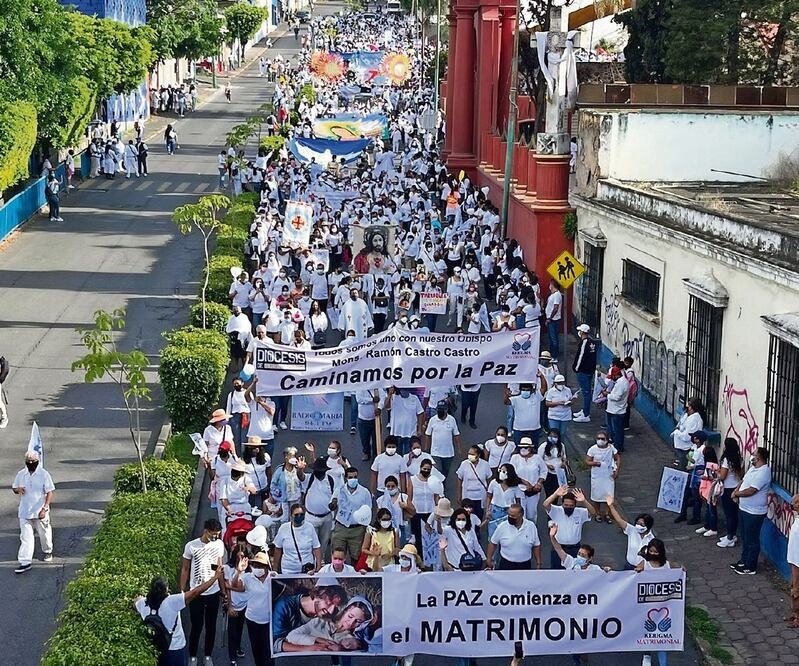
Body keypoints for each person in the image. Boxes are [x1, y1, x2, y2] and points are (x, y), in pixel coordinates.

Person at [136, 569, 223, 666]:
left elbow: (136, 601)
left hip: (156, 649)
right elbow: (196, 592)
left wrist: (139, 598)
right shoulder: (172, 601)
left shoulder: (143, 603)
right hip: (175, 648)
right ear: (166, 589)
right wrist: (215, 577)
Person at [179, 519, 226, 665]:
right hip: (196, 593)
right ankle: (192, 655)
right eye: (213, 534)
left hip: (213, 593)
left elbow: (219, 568)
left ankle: (207, 655)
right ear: (205, 531)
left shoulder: (219, 544)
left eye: (218, 535)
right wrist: (182, 590)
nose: (215, 537)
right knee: (196, 626)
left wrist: (223, 591)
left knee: (211, 626)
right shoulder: (191, 546)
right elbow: (185, 569)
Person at [228, 551, 275, 666]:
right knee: (256, 650)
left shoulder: (274, 577)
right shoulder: (248, 577)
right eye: (255, 565)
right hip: (252, 620)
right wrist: (239, 571)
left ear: (266, 567)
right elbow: (235, 585)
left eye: (260, 566)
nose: (257, 568)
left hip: (269, 621)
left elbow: (291, 585)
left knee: (269, 653)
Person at [272, 583, 347, 653]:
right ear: (319, 593)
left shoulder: (325, 618)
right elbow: (274, 644)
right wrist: (309, 648)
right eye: (329, 602)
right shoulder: (284, 606)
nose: (331, 611)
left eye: (335, 609)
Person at [731, 446, 772, 575]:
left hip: (754, 512)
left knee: (752, 539)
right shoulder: (753, 469)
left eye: (754, 454)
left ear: (759, 457)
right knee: (744, 536)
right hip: (744, 508)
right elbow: (743, 481)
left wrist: (737, 494)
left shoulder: (764, 472)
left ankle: (751, 566)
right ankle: (744, 560)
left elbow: (752, 490)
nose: (751, 456)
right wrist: (735, 491)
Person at [12, 451, 54, 574]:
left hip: (40, 511)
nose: (31, 463)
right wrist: (17, 489)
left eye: (33, 461)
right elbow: (15, 488)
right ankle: (25, 561)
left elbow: (50, 492)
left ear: (37, 461)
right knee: (26, 537)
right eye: (28, 461)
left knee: (44, 534)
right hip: (25, 511)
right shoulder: (21, 474)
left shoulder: (43, 474)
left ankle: (47, 551)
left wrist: (45, 508)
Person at [543, 485, 596, 569]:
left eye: (571, 506)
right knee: (557, 572)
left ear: (575, 504)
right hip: (558, 548)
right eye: (566, 505)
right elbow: (545, 504)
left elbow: (593, 512)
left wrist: (584, 501)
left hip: (575, 549)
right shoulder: (556, 510)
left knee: (575, 572)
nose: (568, 507)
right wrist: (555, 494)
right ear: (562, 503)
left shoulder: (580, 512)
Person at [331, 467, 373, 564]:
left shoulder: (365, 492)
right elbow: (332, 506)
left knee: (356, 557)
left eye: (355, 477)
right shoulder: (339, 490)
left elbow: (368, 511)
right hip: (341, 528)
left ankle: (356, 578)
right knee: (338, 556)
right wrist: (333, 504)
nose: (353, 479)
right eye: (350, 477)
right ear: (346, 478)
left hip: (357, 530)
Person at [485, 504, 542, 570]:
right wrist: (489, 559)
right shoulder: (502, 526)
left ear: (521, 515)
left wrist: (538, 563)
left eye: (513, 516)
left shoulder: (531, 526)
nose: (510, 517)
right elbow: (493, 543)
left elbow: (536, 545)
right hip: (506, 564)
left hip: (525, 565)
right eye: (509, 515)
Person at [606, 495, 655, 570]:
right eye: (637, 523)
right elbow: (619, 520)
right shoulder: (632, 530)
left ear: (648, 527)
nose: (638, 526)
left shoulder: (652, 540)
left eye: (642, 524)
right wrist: (611, 506)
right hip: (629, 566)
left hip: (643, 569)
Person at [482, 463, 524, 547]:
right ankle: (493, 559)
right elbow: (489, 497)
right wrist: (488, 510)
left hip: (508, 513)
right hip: (495, 511)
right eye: (500, 471)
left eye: (504, 471)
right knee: (493, 538)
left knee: (507, 537)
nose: (501, 473)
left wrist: (518, 515)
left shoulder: (515, 487)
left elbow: (518, 502)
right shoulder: (494, 483)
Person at [273, 504, 322, 574]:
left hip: (307, 570)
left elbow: (316, 548)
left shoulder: (310, 527)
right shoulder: (283, 528)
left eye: (301, 514)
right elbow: (278, 549)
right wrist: (275, 569)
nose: (299, 516)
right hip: (288, 570)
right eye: (296, 515)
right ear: (291, 516)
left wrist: (318, 566)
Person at [222, 544, 250, 666]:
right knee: (232, 632)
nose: (240, 559)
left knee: (239, 629)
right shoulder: (228, 568)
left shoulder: (250, 569)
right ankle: (232, 658)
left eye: (242, 556)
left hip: (245, 604)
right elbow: (230, 587)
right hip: (234, 604)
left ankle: (238, 647)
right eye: (238, 556)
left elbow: (243, 588)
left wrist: (232, 586)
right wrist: (230, 606)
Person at [407, 457, 443, 548]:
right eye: (424, 469)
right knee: (418, 537)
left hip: (430, 512)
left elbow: (436, 497)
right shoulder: (412, 480)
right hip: (417, 512)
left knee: (431, 536)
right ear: (420, 468)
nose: (426, 471)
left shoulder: (433, 480)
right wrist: (411, 510)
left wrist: (438, 511)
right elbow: (409, 497)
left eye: (428, 469)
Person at [509, 438, 548, 520]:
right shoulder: (514, 458)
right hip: (519, 490)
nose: (523, 449)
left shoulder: (537, 458)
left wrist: (539, 483)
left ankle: (531, 530)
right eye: (521, 447)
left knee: (531, 514)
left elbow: (544, 471)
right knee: (520, 514)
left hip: (533, 491)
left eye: (526, 447)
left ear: (530, 448)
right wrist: (525, 483)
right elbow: (512, 474)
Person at [586, 431, 620, 522]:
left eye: (602, 439)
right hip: (597, 476)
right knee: (597, 496)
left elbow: (617, 458)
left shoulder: (611, 448)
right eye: (598, 438)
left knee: (609, 496)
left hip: (608, 476)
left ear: (607, 440)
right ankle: (597, 513)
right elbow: (588, 461)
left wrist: (616, 470)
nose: (600, 440)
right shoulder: (592, 449)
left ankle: (607, 514)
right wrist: (595, 463)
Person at [716, 438, 743, 548]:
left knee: (729, 515)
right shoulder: (738, 458)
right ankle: (732, 534)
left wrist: (717, 472)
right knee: (733, 514)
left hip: (728, 489)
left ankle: (730, 537)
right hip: (736, 487)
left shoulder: (727, 459)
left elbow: (722, 476)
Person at [505, 377, 548, 446]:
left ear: (531, 390)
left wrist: (541, 376)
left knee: (533, 449)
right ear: (520, 390)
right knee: (519, 449)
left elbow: (544, 388)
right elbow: (506, 402)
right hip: (519, 429)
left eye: (527, 390)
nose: (525, 391)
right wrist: (506, 395)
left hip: (534, 429)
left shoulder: (536, 396)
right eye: (523, 390)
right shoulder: (515, 399)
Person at [441, 507, 486, 571]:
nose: (461, 521)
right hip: (454, 568)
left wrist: (484, 560)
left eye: (463, 519)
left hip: (469, 567)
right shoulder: (448, 530)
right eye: (458, 519)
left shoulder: (470, 531)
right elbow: (440, 531)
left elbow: (477, 546)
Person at [424, 399, 461, 478]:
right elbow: (428, 434)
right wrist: (426, 449)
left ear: (446, 410)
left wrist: (459, 448)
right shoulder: (432, 420)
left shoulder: (452, 420)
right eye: (439, 409)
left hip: (448, 453)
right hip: (435, 452)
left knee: (445, 472)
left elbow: (456, 435)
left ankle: (443, 485)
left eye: (442, 410)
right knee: (438, 472)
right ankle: (439, 488)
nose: (440, 411)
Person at [455, 445, 492, 521]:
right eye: (469, 454)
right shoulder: (464, 464)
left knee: (479, 516)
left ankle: (477, 531)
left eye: (472, 454)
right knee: (467, 516)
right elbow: (459, 479)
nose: (470, 456)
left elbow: (489, 480)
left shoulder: (485, 464)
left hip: (480, 496)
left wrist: (490, 495)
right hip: (467, 496)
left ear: (478, 455)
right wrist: (459, 495)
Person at [385, 387, 424, 454]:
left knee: (408, 457)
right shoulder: (393, 397)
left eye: (406, 389)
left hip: (410, 433)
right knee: (397, 457)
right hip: (396, 433)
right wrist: (389, 394)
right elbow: (386, 406)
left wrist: (419, 429)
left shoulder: (414, 398)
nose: (404, 391)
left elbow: (420, 413)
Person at [572, 324, 596, 423]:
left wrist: (576, 368)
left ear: (582, 332)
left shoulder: (584, 343)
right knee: (587, 392)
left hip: (583, 371)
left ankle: (586, 414)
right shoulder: (592, 342)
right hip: (589, 370)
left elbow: (581, 357)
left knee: (586, 393)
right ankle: (585, 411)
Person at [671, 397, 705, 468]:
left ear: (692, 408)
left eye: (689, 406)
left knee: (683, 470)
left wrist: (676, 432)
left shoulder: (694, 420)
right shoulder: (688, 416)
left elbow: (686, 437)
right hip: (681, 448)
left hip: (685, 449)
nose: (687, 408)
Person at [604, 358, 629, 452]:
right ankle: (616, 444)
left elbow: (617, 397)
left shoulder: (622, 383)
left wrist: (608, 395)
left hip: (617, 411)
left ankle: (618, 447)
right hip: (613, 409)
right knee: (615, 430)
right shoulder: (619, 382)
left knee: (617, 431)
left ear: (616, 375)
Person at [356, 388, 386, 461]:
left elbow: (382, 398)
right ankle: (366, 452)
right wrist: (371, 400)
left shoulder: (378, 388)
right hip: (363, 419)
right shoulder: (361, 387)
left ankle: (376, 453)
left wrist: (379, 408)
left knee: (376, 437)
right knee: (364, 438)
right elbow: (359, 399)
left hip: (375, 419)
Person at [538, 430, 567, 497]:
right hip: (548, 473)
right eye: (550, 436)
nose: (552, 438)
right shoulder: (543, 446)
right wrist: (547, 465)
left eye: (555, 436)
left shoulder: (561, 445)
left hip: (559, 472)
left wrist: (564, 463)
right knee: (550, 493)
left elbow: (564, 457)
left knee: (558, 492)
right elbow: (539, 460)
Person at [786, 494, 799, 629]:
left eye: (795, 503)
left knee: (796, 590)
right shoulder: (797, 518)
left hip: (798, 561)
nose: (792, 505)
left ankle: (797, 617)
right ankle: (794, 613)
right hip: (794, 559)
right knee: (793, 587)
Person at [544, 281, 562, 359]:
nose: (549, 286)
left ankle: (554, 356)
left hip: (553, 320)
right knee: (552, 338)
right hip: (551, 319)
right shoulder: (553, 295)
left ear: (552, 286)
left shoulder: (557, 295)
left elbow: (555, 308)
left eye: (550, 285)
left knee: (553, 338)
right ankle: (552, 353)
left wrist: (550, 318)